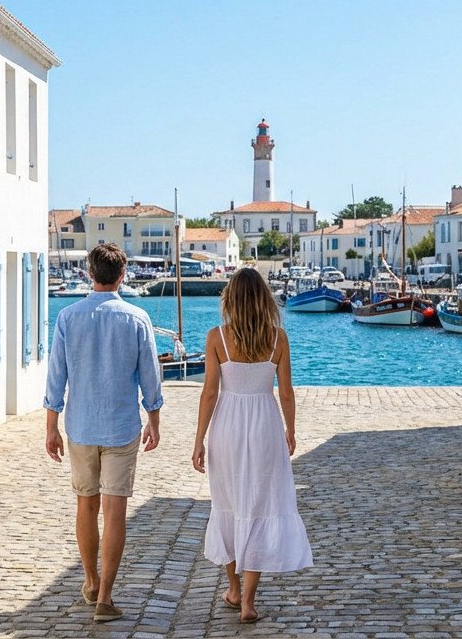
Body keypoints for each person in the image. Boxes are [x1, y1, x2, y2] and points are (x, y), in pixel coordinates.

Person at [44, 243, 164, 623]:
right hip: (121, 427)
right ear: (123, 275)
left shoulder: (67, 317)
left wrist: (50, 425)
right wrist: (154, 418)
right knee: (115, 512)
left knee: (86, 504)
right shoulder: (137, 318)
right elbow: (150, 375)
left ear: (89, 274)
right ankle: (106, 598)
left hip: (80, 426)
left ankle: (91, 581)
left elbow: (56, 375)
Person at [191, 267, 313, 624]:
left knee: (228, 505)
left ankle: (232, 588)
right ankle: (248, 600)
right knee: (258, 506)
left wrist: (199, 440)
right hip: (265, 425)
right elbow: (286, 392)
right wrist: (290, 429)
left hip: (227, 426)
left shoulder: (217, 337)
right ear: (264, 299)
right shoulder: (278, 339)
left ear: (230, 299)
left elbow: (209, 393)